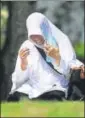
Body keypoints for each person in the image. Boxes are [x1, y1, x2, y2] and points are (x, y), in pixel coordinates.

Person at [9, 12, 85, 101]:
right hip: (33, 88)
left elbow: (68, 72)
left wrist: (57, 58)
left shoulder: (61, 41)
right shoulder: (27, 46)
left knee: (53, 98)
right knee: (14, 98)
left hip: (55, 86)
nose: (36, 39)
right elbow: (18, 81)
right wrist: (23, 64)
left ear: (44, 29)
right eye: (32, 36)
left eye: (38, 34)